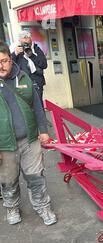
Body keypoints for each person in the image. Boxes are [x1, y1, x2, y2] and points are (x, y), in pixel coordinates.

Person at [0, 42, 57, 226]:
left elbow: (37, 107)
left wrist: (44, 131)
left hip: (30, 140)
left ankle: (43, 206)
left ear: (10, 59)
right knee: (8, 180)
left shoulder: (23, 77)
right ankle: (12, 207)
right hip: (5, 145)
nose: (1, 66)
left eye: (4, 61)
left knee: (36, 176)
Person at [10, 30, 48, 108]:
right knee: (25, 106)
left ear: (31, 40)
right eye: (24, 43)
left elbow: (44, 65)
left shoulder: (36, 49)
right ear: (20, 41)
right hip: (22, 82)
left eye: (28, 42)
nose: (26, 45)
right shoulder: (16, 50)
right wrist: (15, 53)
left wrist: (32, 55)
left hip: (36, 82)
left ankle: (41, 120)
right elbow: (10, 65)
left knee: (39, 106)